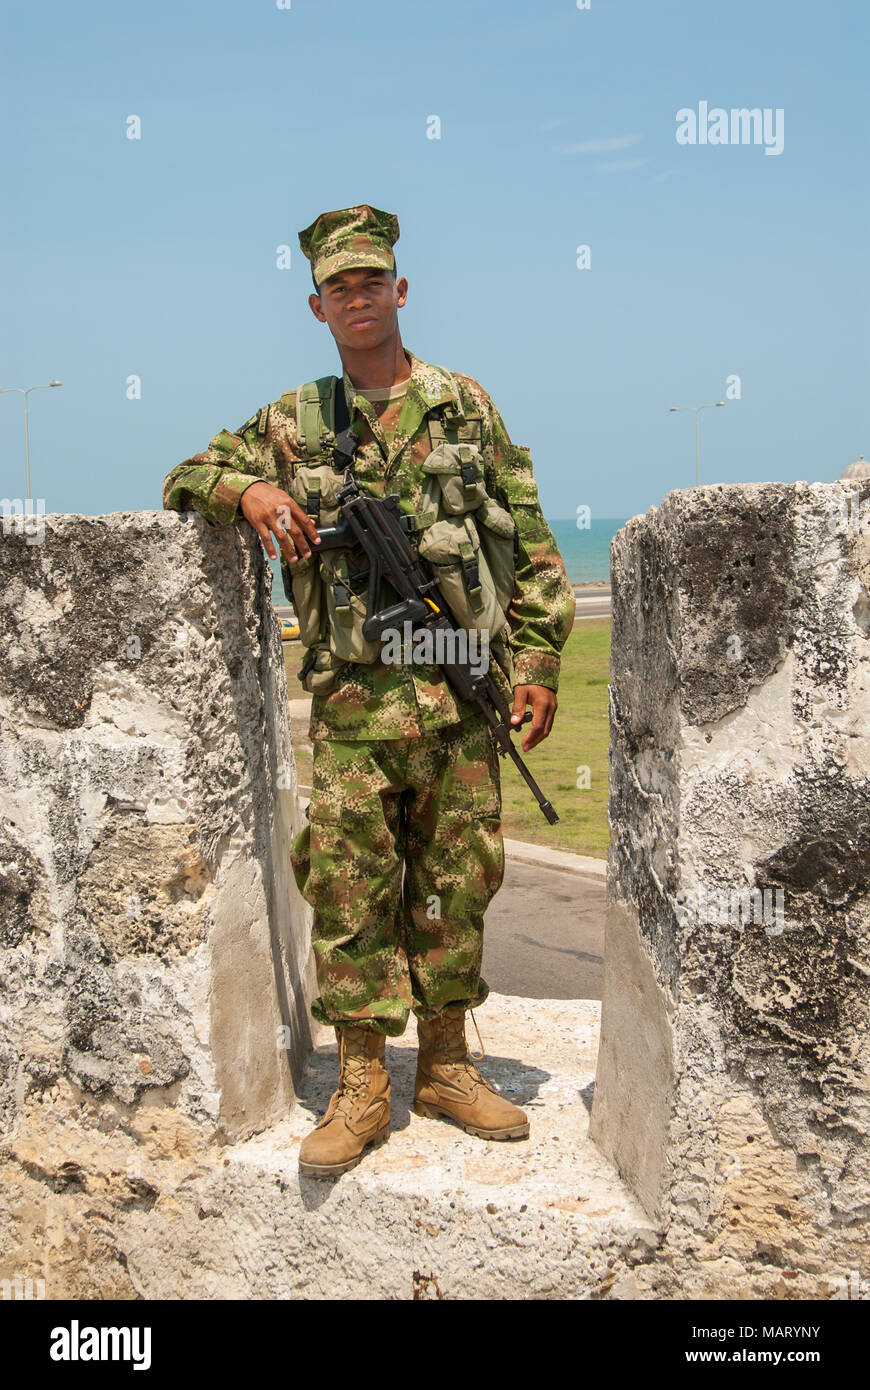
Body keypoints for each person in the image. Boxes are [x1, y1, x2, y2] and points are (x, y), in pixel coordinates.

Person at [162, 204, 575, 1179]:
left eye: (371, 280)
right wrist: (252, 493)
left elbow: (531, 535)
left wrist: (542, 658)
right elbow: (187, 473)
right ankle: (359, 1084)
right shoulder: (294, 422)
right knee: (349, 891)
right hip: (352, 705)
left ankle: (444, 1064)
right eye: (338, 286)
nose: (357, 297)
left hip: (459, 698)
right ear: (318, 304)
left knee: (455, 884)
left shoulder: (464, 406)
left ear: (399, 289)